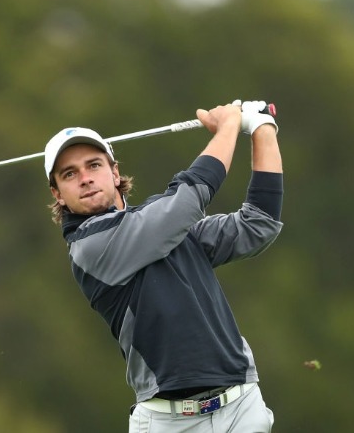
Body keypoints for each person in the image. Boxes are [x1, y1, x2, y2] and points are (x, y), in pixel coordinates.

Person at [44, 100, 283, 433]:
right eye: (70, 174)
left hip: (241, 406)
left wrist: (262, 128)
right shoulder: (89, 247)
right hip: (168, 421)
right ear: (57, 193)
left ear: (114, 172)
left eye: (94, 165)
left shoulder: (162, 226)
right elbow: (185, 202)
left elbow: (259, 223)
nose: (85, 178)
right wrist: (229, 127)